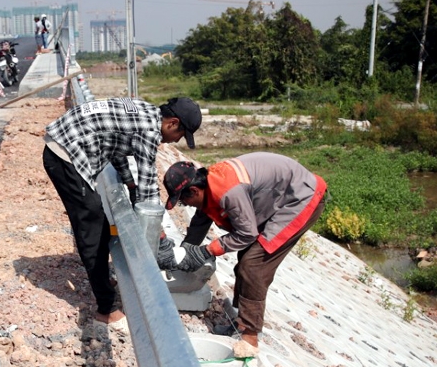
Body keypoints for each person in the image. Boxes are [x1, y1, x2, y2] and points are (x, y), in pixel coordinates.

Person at [42, 97, 202, 326]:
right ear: (172, 123)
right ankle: (105, 309)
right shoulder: (149, 131)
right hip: (64, 155)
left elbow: (114, 144)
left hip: (66, 142)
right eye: (180, 135)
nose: (175, 141)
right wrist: (160, 238)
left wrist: (129, 183)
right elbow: (148, 192)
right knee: (92, 231)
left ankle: (104, 281)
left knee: (100, 223)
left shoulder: (145, 112)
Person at [161, 153, 327, 350]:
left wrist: (207, 251)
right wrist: (186, 254)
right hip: (281, 195)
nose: (185, 205)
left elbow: (247, 234)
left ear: (195, 190)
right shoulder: (210, 183)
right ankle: (241, 324)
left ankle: (250, 336)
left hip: (301, 199)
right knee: (246, 258)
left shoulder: (229, 192)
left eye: (183, 201)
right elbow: (200, 221)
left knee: (253, 265)